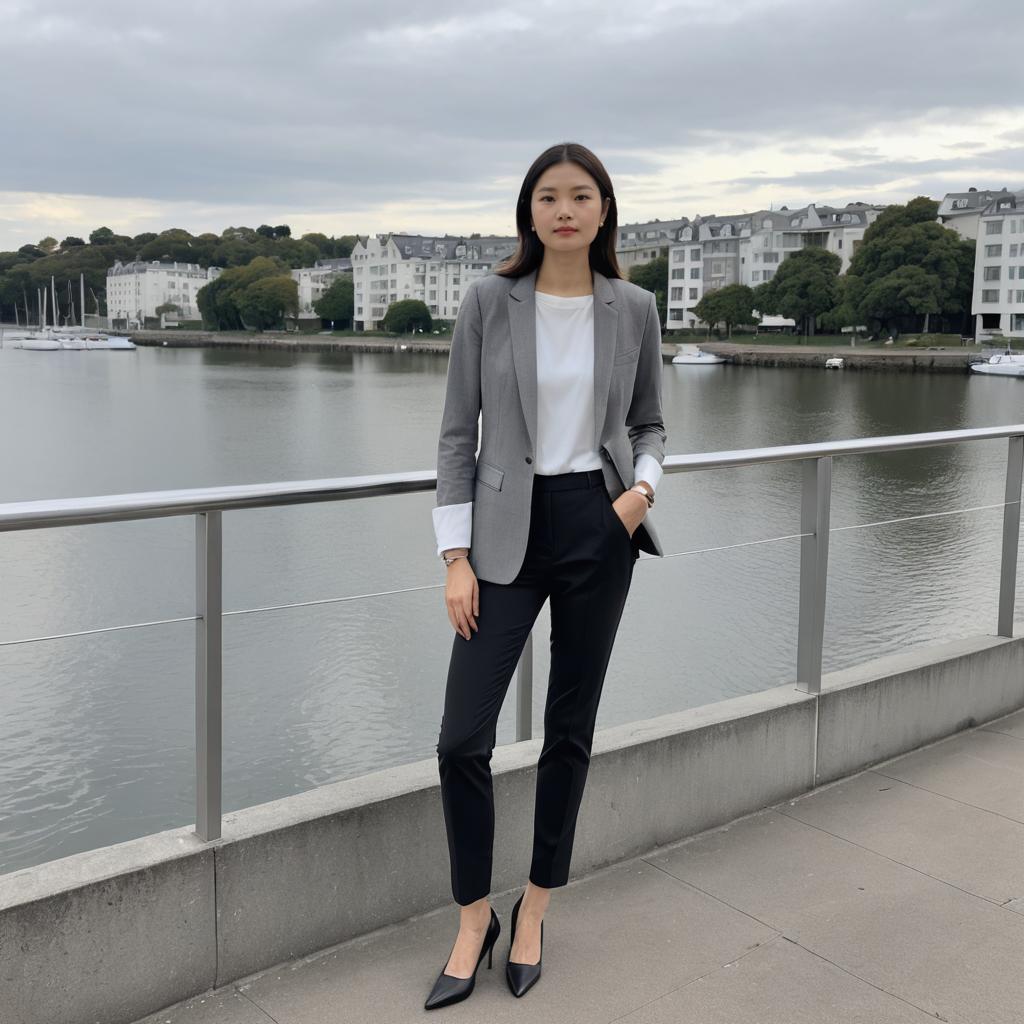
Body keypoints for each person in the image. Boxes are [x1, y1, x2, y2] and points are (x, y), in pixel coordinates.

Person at [424, 141, 667, 1010]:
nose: (565, 210)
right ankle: (471, 916)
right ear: (528, 211)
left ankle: (534, 908)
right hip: (499, 535)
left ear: (604, 211)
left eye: (582, 196)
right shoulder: (490, 301)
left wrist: (640, 492)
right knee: (462, 739)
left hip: (598, 525)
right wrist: (455, 557)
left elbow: (650, 422)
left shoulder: (633, 306)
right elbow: (458, 434)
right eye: (549, 196)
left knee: (570, 728)